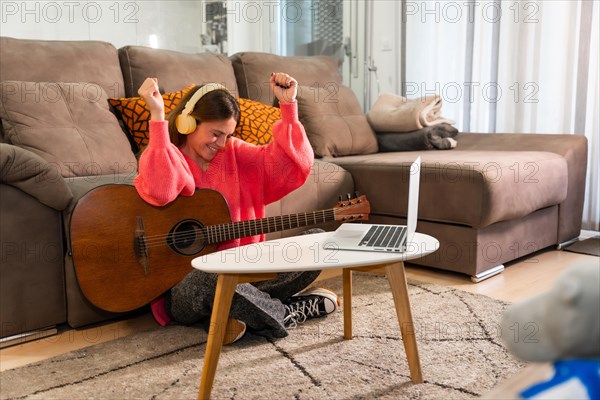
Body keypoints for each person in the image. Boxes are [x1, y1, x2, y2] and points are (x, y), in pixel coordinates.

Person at [134, 72, 338, 344]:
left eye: (227, 135)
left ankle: (242, 314)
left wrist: (288, 108)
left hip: (248, 274)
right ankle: (287, 310)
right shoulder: (168, 156)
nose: (220, 143)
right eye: (215, 133)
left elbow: (292, 166)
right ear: (187, 123)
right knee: (211, 277)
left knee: (315, 241)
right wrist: (158, 118)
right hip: (188, 290)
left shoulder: (234, 152)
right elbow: (160, 190)